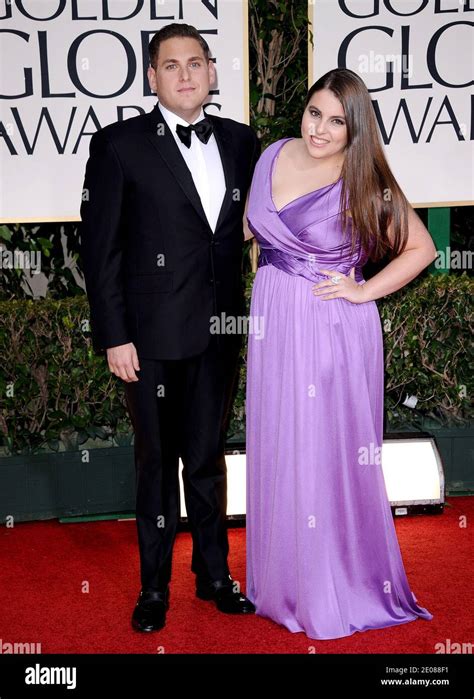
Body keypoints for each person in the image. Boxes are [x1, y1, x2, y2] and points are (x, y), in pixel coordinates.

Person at [244, 68, 436, 640]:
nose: (321, 130)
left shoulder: (362, 179)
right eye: (314, 113)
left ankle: (331, 584)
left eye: (336, 121)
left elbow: (421, 248)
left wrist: (361, 289)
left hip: (330, 325)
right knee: (281, 442)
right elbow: (258, 233)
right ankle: (282, 581)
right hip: (274, 321)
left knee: (324, 449)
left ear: (356, 130)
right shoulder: (272, 154)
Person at [80, 23, 260, 633]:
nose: (185, 74)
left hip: (219, 332)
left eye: (196, 63)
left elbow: (250, 225)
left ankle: (214, 575)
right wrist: (114, 334)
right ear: (152, 77)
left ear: (212, 72)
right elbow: (100, 250)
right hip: (149, 338)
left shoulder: (241, 142)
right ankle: (153, 588)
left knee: (208, 460)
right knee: (156, 462)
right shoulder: (120, 145)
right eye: (170, 65)